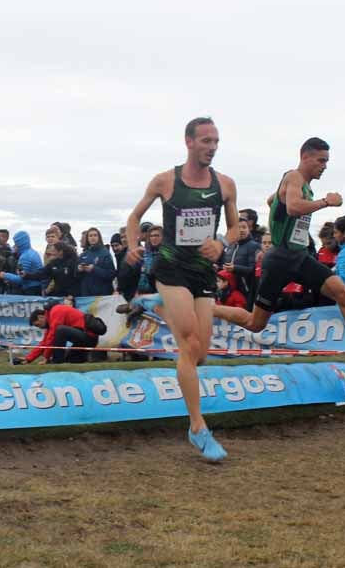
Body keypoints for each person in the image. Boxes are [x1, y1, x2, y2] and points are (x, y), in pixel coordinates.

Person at [213, 138, 345, 374]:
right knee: (255, 323)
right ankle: (206, 309)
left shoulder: (302, 184)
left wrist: (278, 200)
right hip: (280, 259)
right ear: (305, 157)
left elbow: (274, 200)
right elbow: (294, 207)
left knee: (343, 293)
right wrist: (326, 202)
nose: (324, 166)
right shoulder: (294, 177)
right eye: (321, 160)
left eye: (327, 161)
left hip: (298, 256)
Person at [125, 116, 239, 462]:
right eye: (206, 141)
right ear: (189, 142)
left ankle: (158, 305)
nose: (212, 148)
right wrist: (133, 245)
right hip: (171, 268)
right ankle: (198, 428)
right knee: (188, 343)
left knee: (200, 355)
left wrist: (221, 243)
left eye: (216, 141)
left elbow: (236, 228)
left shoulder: (226, 185)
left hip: (203, 273)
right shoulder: (165, 181)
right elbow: (134, 218)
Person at [15, 303, 100, 365]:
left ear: (41, 317)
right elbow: (44, 343)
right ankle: (91, 357)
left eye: (38, 325)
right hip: (82, 339)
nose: (40, 327)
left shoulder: (56, 311)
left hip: (89, 337)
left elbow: (52, 336)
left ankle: (57, 361)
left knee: (60, 330)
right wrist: (28, 359)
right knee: (71, 359)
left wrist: (46, 357)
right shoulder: (50, 319)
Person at [0, 230, 45, 296]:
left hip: (30, 288)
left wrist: (5, 275)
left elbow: (21, 279)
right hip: (38, 286)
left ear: (19, 243)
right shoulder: (34, 252)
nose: (14, 245)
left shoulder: (25, 257)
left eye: (15, 243)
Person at [78, 228, 116, 296]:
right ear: (87, 238)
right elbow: (76, 275)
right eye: (90, 236)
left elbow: (111, 274)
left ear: (99, 238)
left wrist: (94, 269)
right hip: (86, 294)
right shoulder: (83, 254)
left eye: (95, 235)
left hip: (102, 294)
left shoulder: (105, 253)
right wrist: (79, 270)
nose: (93, 237)